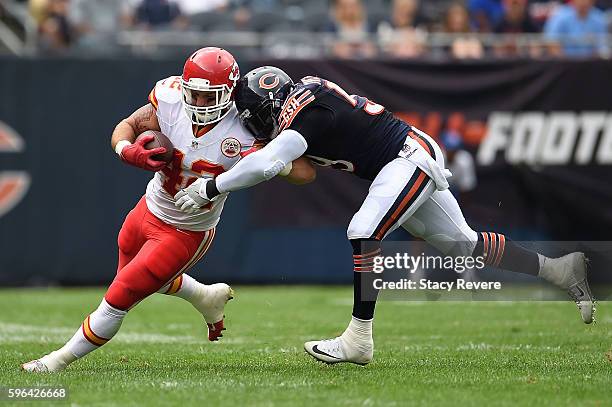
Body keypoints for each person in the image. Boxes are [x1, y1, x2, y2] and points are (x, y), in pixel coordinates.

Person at [172, 66, 595, 365]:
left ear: (267, 108)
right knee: (464, 244)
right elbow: (292, 168)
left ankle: (358, 338)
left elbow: (268, 163)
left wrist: (210, 185)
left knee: (363, 229)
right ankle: (557, 270)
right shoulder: (304, 99)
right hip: (406, 157)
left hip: (407, 156)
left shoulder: (306, 106)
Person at [20, 49, 308, 373]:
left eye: (207, 96)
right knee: (137, 278)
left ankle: (54, 362)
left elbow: (304, 172)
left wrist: (271, 160)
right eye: (193, 94)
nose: (198, 104)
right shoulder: (170, 101)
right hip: (149, 207)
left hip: (187, 230)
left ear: (229, 94)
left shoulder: (246, 126)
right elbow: (126, 125)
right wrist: (127, 151)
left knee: (122, 293)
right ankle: (204, 296)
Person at [543, 0, 608, 57]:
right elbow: (551, 43)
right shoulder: (559, 16)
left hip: (592, 64)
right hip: (563, 64)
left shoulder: (599, 18)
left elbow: (602, 47)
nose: (584, 2)